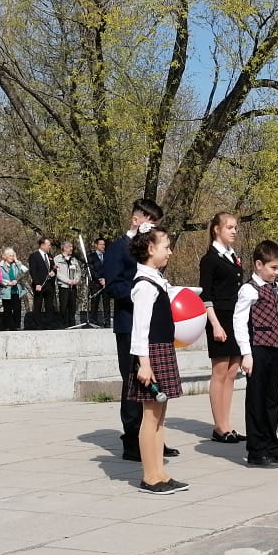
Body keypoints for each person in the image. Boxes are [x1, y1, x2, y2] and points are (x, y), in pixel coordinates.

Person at [102, 199, 178, 462]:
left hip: (152, 327)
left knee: (153, 386)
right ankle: (132, 439)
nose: (152, 227)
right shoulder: (118, 247)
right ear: (136, 219)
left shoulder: (150, 249)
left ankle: (153, 437)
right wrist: (138, 295)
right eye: (149, 222)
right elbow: (113, 285)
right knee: (133, 382)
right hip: (128, 323)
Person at [127, 225, 188, 494]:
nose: (170, 252)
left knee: (160, 416)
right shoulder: (143, 285)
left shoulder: (156, 280)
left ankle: (161, 472)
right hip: (150, 354)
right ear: (151, 249)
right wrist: (144, 362)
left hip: (162, 350)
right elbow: (139, 328)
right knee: (150, 417)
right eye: (166, 247)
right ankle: (149, 476)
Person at [234, 240, 278, 467]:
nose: (277, 272)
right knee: (256, 400)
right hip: (257, 349)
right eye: (273, 268)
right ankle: (256, 450)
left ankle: (272, 444)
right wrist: (246, 353)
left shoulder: (275, 287)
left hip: (275, 348)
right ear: (259, 264)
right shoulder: (249, 289)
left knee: (272, 399)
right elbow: (239, 322)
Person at [199, 212, 245, 444]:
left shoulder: (233, 257)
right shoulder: (210, 259)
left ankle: (228, 424)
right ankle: (219, 427)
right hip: (219, 318)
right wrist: (215, 324)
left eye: (235, 227)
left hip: (235, 318)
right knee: (220, 372)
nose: (234, 231)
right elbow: (206, 296)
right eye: (229, 227)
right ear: (216, 229)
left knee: (232, 372)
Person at [53, 240, 82, 328]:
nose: (72, 249)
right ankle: (63, 325)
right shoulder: (57, 259)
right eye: (70, 247)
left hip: (73, 287)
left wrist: (76, 280)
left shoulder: (74, 259)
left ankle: (72, 325)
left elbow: (78, 271)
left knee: (72, 307)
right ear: (65, 248)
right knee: (64, 307)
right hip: (64, 286)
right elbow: (57, 273)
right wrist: (67, 281)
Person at [0, 248, 26, 332]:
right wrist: (8, 283)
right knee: (7, 309)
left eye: (13, 255)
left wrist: (17, 260)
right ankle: (8, 325)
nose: (12, 257)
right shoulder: (0, 266)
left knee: (17, 308)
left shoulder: (16, 264)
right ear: (5, 256)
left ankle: (17, 325)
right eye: (10, 255)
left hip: (16, 290)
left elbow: (24, 271)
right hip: (6, 290)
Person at [28, 238, 56, 315]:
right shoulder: (34, 256)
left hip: (50, 285)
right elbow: (33, 271)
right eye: (48, 245)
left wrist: (53, 272)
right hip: (39, 285)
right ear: (42, 245)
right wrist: (37, 283)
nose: (50, 247)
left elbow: (54, 267)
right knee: (38, 305)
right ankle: (37, 324)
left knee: (49, 306)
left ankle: (49, 324)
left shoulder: (50, 256)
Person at [89, 237, 110, 327]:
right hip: (95, 283)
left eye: (104, 244)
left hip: (106, 283)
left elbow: (111, 268)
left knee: (106, 303)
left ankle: (107, 321)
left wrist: (106, 279)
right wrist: (99, 279)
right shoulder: (91, 256)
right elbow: (92, 270)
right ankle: (93, 321)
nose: (103, 246)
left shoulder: (108, 256)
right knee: (95, 303)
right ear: (96, 245)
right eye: (101, 244)